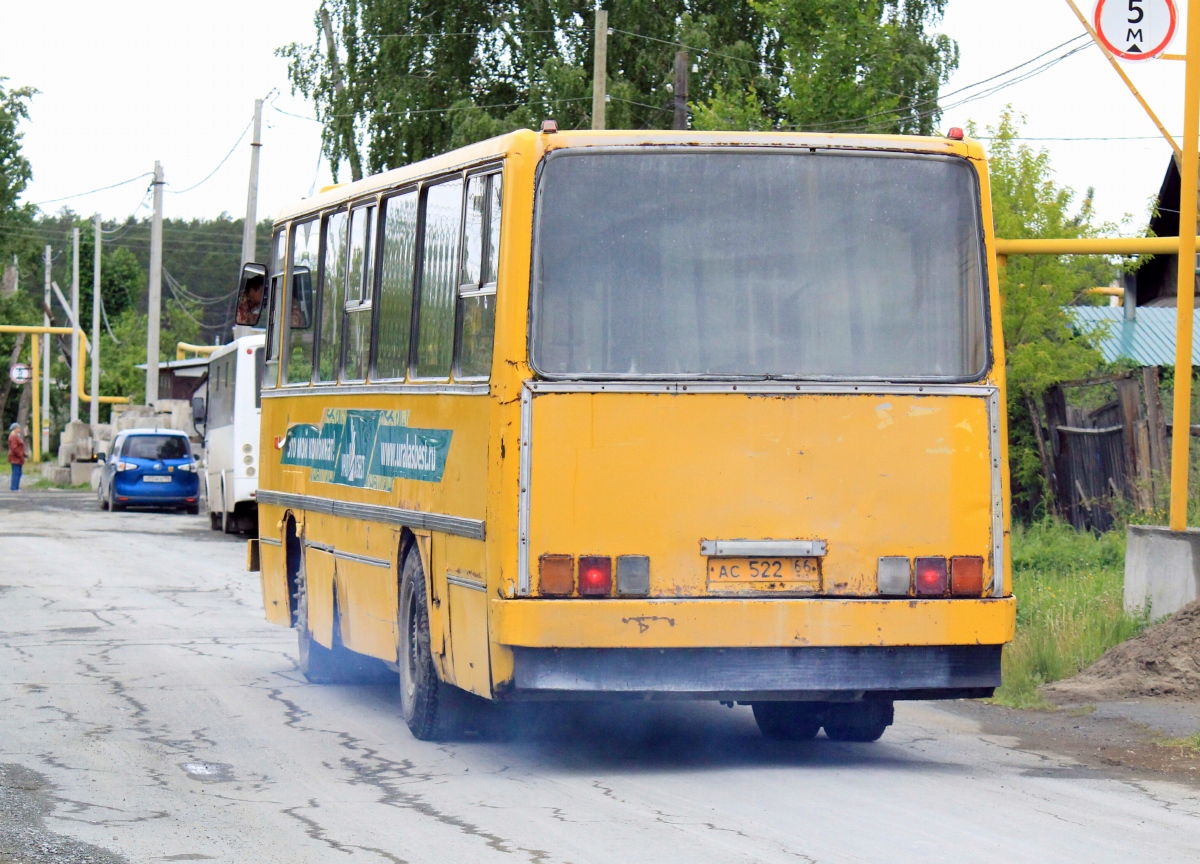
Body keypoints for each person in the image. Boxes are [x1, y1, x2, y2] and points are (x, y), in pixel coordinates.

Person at [7, 422, 26, 492]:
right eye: (18, 428)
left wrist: (24, 454)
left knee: (18, 472)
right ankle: (14, 487)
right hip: (15, 458)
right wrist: (20, 454)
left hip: (17, 457)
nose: (19, 429)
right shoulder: (13, 437)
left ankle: (16, 487)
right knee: (16, 472)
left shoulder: (15, 436)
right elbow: (14, 448)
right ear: (15, 429)